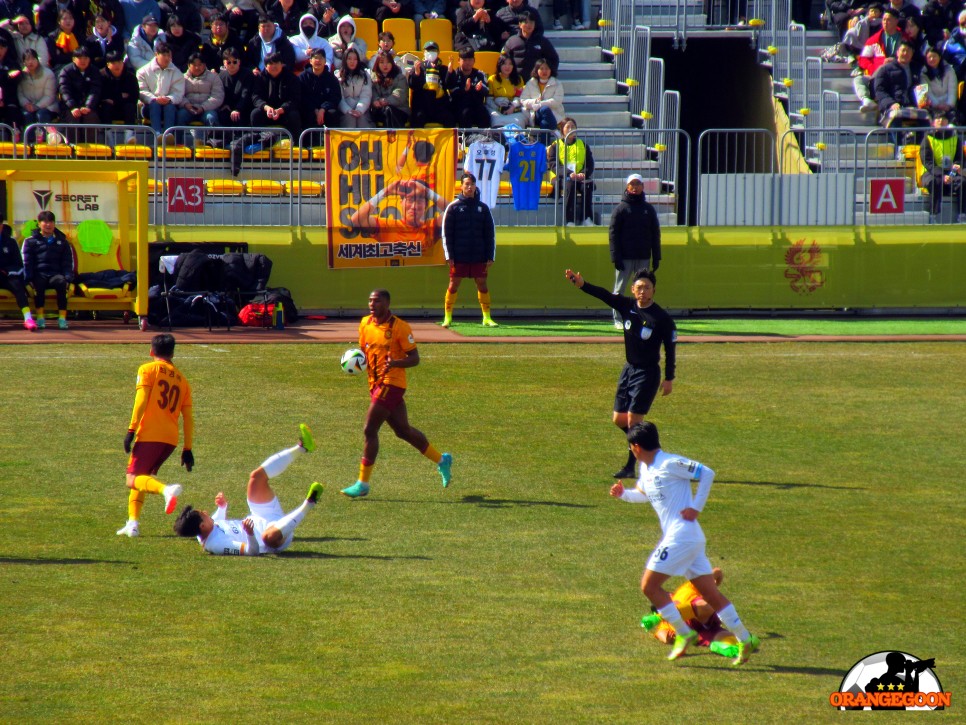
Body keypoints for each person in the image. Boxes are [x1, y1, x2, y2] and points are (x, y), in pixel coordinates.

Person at [609, 421, 760, 665]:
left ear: (636, 446)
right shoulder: (646, 470)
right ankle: (746, 638)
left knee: (649, 586)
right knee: (711, 595)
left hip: (681, 536)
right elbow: (643, 496)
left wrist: (695, 507)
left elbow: (707, 472)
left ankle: (684, 632)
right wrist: (623, 494)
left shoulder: (669, 463)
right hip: (689, 539)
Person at [340, 289, 453, 499]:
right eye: (370, 300)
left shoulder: (399, 327)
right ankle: (442, 460)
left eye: (377, 301)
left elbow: (415, 358)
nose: (372, 304)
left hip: (392, 384)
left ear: (387, 303)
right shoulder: (365, 323)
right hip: (375, 383)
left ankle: (362, 483)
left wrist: (395, 363)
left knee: (369, 429)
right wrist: (355, 361)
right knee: (403, 431)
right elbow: (363, 351)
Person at [563, 268, 675, 479]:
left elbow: (670, 349)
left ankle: (631, 467)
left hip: (648, 373)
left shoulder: (662, 318)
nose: (643, 291)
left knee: (633, 420)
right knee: (619, 419)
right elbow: (605, 295)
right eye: (639, 287)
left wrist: (669, 377)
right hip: (629, 370)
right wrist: (582, 284)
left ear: (654, 291)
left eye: (647, 288)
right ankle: (651, 445)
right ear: (633, 289)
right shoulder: (627, 306)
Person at [173, 426, 323, 555]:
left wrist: (222, 506)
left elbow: (218, 519)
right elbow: (252, 552)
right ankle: (310, 502)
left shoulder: (207, 527)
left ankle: (303, 447)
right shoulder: (216, 544)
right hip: (275, 536)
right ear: (202, 526)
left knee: (256, 477)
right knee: (267, 537)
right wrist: (250, 534)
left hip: (261, 516)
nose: (205, 512)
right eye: (202, 514)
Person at [117, 333, 194, 537]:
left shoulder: (147, 369)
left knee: (132, 479)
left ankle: (165, 491)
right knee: (142, 477)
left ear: (152, 351)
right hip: (170, 439)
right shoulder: (183, 381)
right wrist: (188, 449)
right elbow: (188, 418)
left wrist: (131, 430)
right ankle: (133, 523)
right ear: (172, 353)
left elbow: (141, 400)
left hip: (151, 434)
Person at [640, 567, 741, 660]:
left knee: (728, 636)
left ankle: (719, 647)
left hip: (700, 623)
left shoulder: (683, 591)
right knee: (705, 605)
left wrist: (713, 584)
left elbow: (717, 572)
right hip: (694, 619)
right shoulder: (682, 593)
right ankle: (662, 616)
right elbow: (663, 636)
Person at [441, 172, 498, 328]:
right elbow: (446, 234)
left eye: (472, 184)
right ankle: (448, 317)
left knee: (482, 284)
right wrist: (449, 255)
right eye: (466, 184)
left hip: (478, 255)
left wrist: (490, 256)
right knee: (453, 284)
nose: (470, 187)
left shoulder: (483, 208)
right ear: (461, 186)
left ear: (475, 186)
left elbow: (490, 234)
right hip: (459, 255)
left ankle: (486, 317)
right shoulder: (453, 207)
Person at [609, 173, 662, 327]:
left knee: (644, 290)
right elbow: (613, 234)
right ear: (627, 186)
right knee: (619, 289)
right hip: (625, 257)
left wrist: (656, 256)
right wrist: (615, 257)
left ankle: (644, 318)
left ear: (643, 187)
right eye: (632, 184)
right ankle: (618, 320)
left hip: (643, 256)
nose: (635, 186)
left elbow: (655, 233)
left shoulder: (648, 209)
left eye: (638, 184)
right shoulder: (620, 209)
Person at [348, 177, 447, 245]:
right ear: (401, 202)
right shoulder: (387, 227)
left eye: (420, 201)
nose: (414, 206)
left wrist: (427, 192)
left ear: (426, 205)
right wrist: (384, 193)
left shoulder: (431, 228)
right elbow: (356, 219)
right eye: (410, 200)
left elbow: (452, 210)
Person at [22, 211, 74, 329]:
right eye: (45, 222)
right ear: (39, 224)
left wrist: (68, 277)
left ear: (54, 224)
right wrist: (28, 277)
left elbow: (67, 262)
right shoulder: (30, 241)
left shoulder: (63, 242)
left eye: (51, 222)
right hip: (39, 274)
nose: (48, 225)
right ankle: (40, 318)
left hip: (56, 274)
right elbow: (27, 261)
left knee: (61, 283)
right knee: (38, 284)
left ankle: (62, 319)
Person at [548, 116, 595, 226]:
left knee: (587, 185)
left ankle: (586, 218)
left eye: (573, 127)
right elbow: (553, 164)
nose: (570, 129)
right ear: (562, 129)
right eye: (567, 126)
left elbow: (589, 163)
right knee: (570, 184)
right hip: (562, 177)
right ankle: (570, 220)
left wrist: (583, 173)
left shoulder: (583, 145)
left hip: (579, 176)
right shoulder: (555, 146)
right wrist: (569, 173)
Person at [919, 113, 966, 222]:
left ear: (947, 122)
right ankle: (933, 215)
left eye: (943, 119)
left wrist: (951, 174)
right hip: (931, 173)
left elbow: (959, 160)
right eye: (937, 119)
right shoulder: (928, 139)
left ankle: (962, 215)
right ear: (933, 123)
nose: (940, 121)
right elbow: (928, 163)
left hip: (951, 174)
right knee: (935, 182)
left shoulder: (955, 139)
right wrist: (943, 175)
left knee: (963, 182)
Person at [136, 42, 184, 137]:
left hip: (169, 106)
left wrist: (169, 99)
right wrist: (154, 99)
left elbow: (178, 93)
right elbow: (142, 91)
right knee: (155, 105)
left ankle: (168, 135)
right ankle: (157, 134)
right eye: (164, 55)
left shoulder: (177, 72)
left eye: (169, 55)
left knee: (169, 106)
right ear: (156, 54)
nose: (167, 58)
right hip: (148, 107)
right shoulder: (143, 71)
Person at [251, 51, 302, 138]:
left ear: (281, 64)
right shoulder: (260, 78)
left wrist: (282, 109)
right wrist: (266, 107)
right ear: (266, 66)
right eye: (270, 63)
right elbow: (255, 97)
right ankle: (257, 141)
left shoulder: (291, 77)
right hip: (267, 112)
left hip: (284, 112)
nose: (274, 66)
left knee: (294, 115)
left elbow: (295, 98)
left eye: (277, 63)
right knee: (255, 114)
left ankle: (296, 143)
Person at [177, 51, 224, 141]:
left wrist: (203, 107)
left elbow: (218, 96)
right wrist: (186, 104)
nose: (197, 67)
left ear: (205, 65)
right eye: (194, 65)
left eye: (200, 64)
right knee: (180, 116)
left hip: (207, 109)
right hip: (188, 109)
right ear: (188, 65)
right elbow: (178, 94)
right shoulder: (182, 78)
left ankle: (213, 145)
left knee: (211, 118)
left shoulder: (214, 77)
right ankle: (177, 144)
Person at [408, 40, 454, 128]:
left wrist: (450, 72)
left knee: (449, 118)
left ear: (438, 53)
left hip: (439, 107)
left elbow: (450, 85)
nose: (431, 53)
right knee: (417, 117)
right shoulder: (418, 67)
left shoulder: (444, 69)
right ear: (424, 52)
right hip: (422, 106)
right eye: (428, 51)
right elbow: (412, 85)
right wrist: (417, 74)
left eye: (433, 51)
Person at [0, 220, 36, 330]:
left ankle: (28, 318)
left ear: (1, 226)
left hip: (7, 275)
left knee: (18, 285)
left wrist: (7, 271)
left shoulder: (11, 242)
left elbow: (18, 264)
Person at [503, 10, 558, 81]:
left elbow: (554, 58)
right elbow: (504, 59)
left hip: (536, 82)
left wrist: (548, 76)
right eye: (525, 22)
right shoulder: (512, 41)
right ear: (520, 24)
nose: (529, 25)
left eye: (531, 22)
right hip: (516, 82)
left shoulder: (542, 41)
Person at [446, 47, 490, 129]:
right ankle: (466, 139)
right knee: (465, 113)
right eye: (465, 60)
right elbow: (451, 90)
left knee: (484, 114)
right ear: (459, 60)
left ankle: (486, 139)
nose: (468, 62)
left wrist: (480, 88)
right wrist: (464, 89)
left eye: (470, 60)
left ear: (474, 60)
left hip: (476, 105)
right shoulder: (454, 74)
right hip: (459, 107)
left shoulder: (480, 74)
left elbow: (487, 90)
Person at [299, 46, 341, 128]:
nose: (318, 61)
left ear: (325, 61)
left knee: (333, 113)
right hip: (309, 109)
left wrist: (323, 109)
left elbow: (335, 97)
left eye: (321, 58)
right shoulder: (302, 77)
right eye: (315, 58)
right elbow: (301, 97)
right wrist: (314, 109)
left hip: (326, 110)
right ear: (310, 61)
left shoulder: (331, 78)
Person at [17, 49, 59, 129]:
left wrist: (36, 106)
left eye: (33, 59)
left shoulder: (48, 74)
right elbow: (20, 94)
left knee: (42, 115)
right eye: (27, 59)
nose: (30, 62)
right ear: (24, 62)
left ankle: (43, 140)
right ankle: (29, 140)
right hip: (28, 107)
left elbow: (49, 96)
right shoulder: (21, 75)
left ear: (38, 60)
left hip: (47, 106)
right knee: (27, 116)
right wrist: (26, 104)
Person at [519, 57, 563, 131]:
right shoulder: (530, 83)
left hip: (553, 114)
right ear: (536, 70)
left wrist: (541, 104)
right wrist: (535, 101)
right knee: (544, 110)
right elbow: (523, 100)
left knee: (544, 123)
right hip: (535, 115)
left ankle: (544, 142)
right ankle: (555, 131)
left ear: (551, 70)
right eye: (541, 68)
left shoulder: (557, 83)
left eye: (547, 68)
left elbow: (557, 101)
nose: (544, 71)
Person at [368, 48, 409, 128]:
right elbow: (372, 92)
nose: (385, 65)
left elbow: (400, 94)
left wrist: (387, 101)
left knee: (388, 110)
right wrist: (376, 100)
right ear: (377, 64)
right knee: (386, 110)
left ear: (392, 63)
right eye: (382, 62)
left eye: (388, 62)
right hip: (380, 109)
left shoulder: (400, 77)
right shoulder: (373, 78)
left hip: (399, 110)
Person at [98, 49, 139, 126]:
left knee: (129, 107)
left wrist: (115, 98)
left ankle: (129, 135)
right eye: (113, 63)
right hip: (107, 109)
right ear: (108, 64)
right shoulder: (101, 76)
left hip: (124, 108)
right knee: (106, 107)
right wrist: (121, 96)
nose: (117, 66)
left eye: (120, 62)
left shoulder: (130, 76)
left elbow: (134, 96)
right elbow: (101, 95)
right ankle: (108, 135)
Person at [217, 46, 253, 126]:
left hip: (244, 108)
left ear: (239, 62)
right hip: (228, 108)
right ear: (224, 63)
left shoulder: (247, 74)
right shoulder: (221, 76)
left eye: (234, 62)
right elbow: (219, 93)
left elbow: (246, 94)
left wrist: (237, 109)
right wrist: (224, 105)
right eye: (228, 62)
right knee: (223, 116)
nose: (232, 64)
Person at [336, 44, 371, 127]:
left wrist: (359, 110)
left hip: (362, 110)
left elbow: (366, 95)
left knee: (361, 118)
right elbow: (339, 98)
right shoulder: (338, 76)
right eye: (349, 59)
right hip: (345, 111)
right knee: (350, 118)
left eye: (355, 59)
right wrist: (348, 110)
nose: (352, 61)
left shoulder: (365, 75)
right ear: (345, 60)